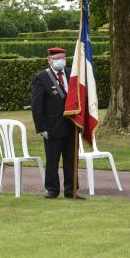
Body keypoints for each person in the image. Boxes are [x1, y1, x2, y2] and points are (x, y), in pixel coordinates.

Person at [32, 47, 83, 199]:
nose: (60, 61)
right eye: (57, 58)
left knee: (71, 160)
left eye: (63, 58)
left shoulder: (71, 73)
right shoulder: (42, 77)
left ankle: (71, 190)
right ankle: (52, 190)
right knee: (53, 160)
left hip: (71, 125)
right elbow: (37, 105)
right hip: (52, 127)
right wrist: (41, 127)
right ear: (49, 60)